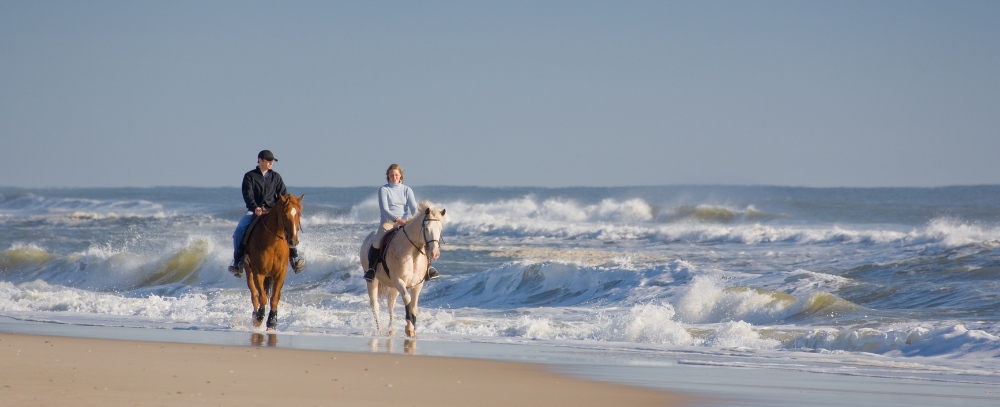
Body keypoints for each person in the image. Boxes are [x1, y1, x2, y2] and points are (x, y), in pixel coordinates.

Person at [228, 150, 305, 277]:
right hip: (254, 211)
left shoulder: (276, 177)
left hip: (272, 211)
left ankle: (295, 258)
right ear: (260, 160)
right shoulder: (250, 176)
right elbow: (248, 194)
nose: (271, 163)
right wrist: (255, 207)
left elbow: (283, 194)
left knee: (288, 226)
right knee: (239, 230)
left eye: (272, 161)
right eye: (268, 161)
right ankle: (238, 262)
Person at [364, 163, 440, 282]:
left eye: (396, 175)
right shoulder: (384, 190)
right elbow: (384, 209)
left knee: (422, 239)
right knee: (377, 241)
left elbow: (414, 208)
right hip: (388, 223)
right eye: (391, 175)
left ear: (400, 176)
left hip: (405, 222)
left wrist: (413, 220)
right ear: (388, 176)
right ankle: (371, 269)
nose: (394, 177)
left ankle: (428, 267)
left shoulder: (407, 190)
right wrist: (397, 219)